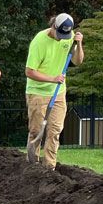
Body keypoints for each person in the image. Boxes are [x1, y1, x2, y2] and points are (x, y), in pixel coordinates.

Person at [25, 12, 85, 168]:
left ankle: (49, 167)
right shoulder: (39, 41)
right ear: (53, 26)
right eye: (59, 34)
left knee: (55, 130)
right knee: (36, 130)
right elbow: (30, 71)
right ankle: (33, 165)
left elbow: (78, 61)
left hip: (58, 92)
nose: (62, 38)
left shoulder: (68, 34)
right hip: (38, 92)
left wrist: (78, 44)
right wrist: (52, 78)